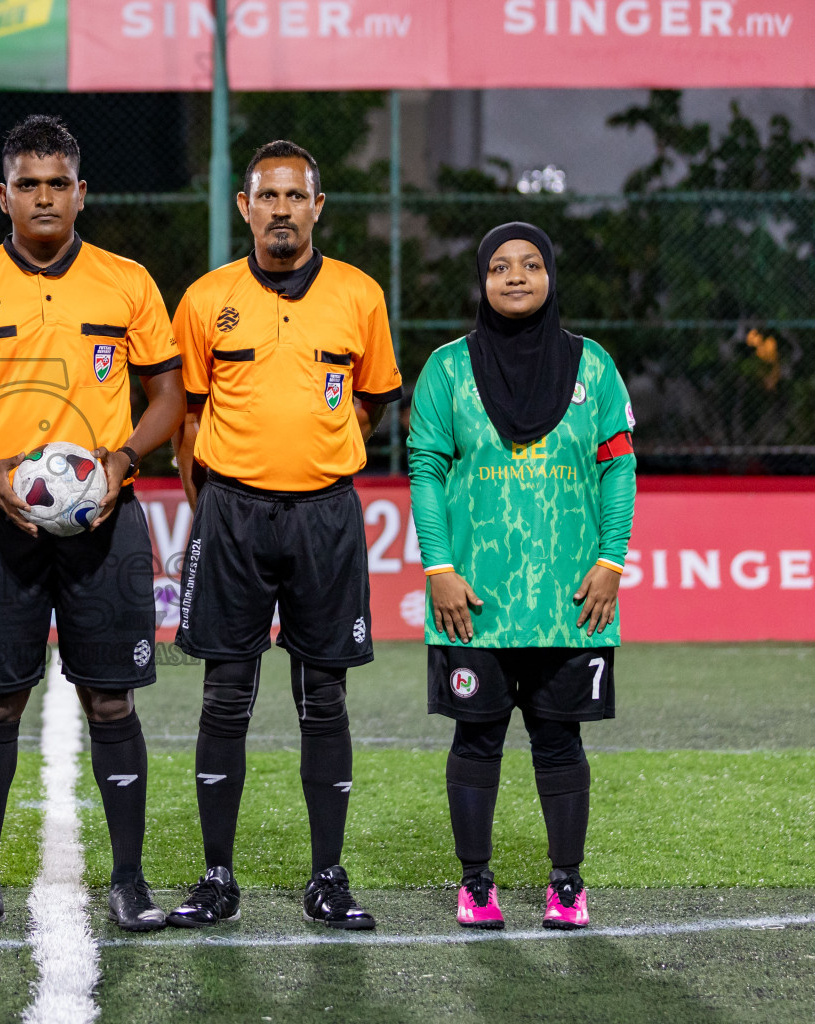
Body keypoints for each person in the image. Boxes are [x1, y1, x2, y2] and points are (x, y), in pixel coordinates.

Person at [0, 115, 184, 934]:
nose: (42, 197)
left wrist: (122, 464)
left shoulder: (127, 281)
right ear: (2, 195)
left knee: (112, 701)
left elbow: (168, 397)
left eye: (56, 183)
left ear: (81, 193)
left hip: (106, 523)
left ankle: (129, 882)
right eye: (26, 184)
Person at [169, 140, 402, 931]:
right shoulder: (205, 298)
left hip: (325, 515)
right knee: (225, 695)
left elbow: (370, 399)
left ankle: (328, 878)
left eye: (294, 197)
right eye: (266, 197)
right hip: (230, 513)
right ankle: (216, 878)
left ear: (317, 207)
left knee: (324, 696)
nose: (280, 210)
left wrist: (314, 452)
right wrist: (217, 495)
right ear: (244, 207)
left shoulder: (360, 296)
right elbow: (190, 415)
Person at [408, 222, 636, 932]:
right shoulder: (447, 368)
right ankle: (476, 885)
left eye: (531, 265)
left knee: (559, 738)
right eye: (500, 266)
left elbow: (618, 464)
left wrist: (611, 561)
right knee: (475, 739)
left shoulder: (593, 366)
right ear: (481, 279)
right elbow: (425, 468)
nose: (515, 277)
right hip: (471, 601)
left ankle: (566, 886)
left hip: (570, 601)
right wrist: (439, 569)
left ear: (550, 277)